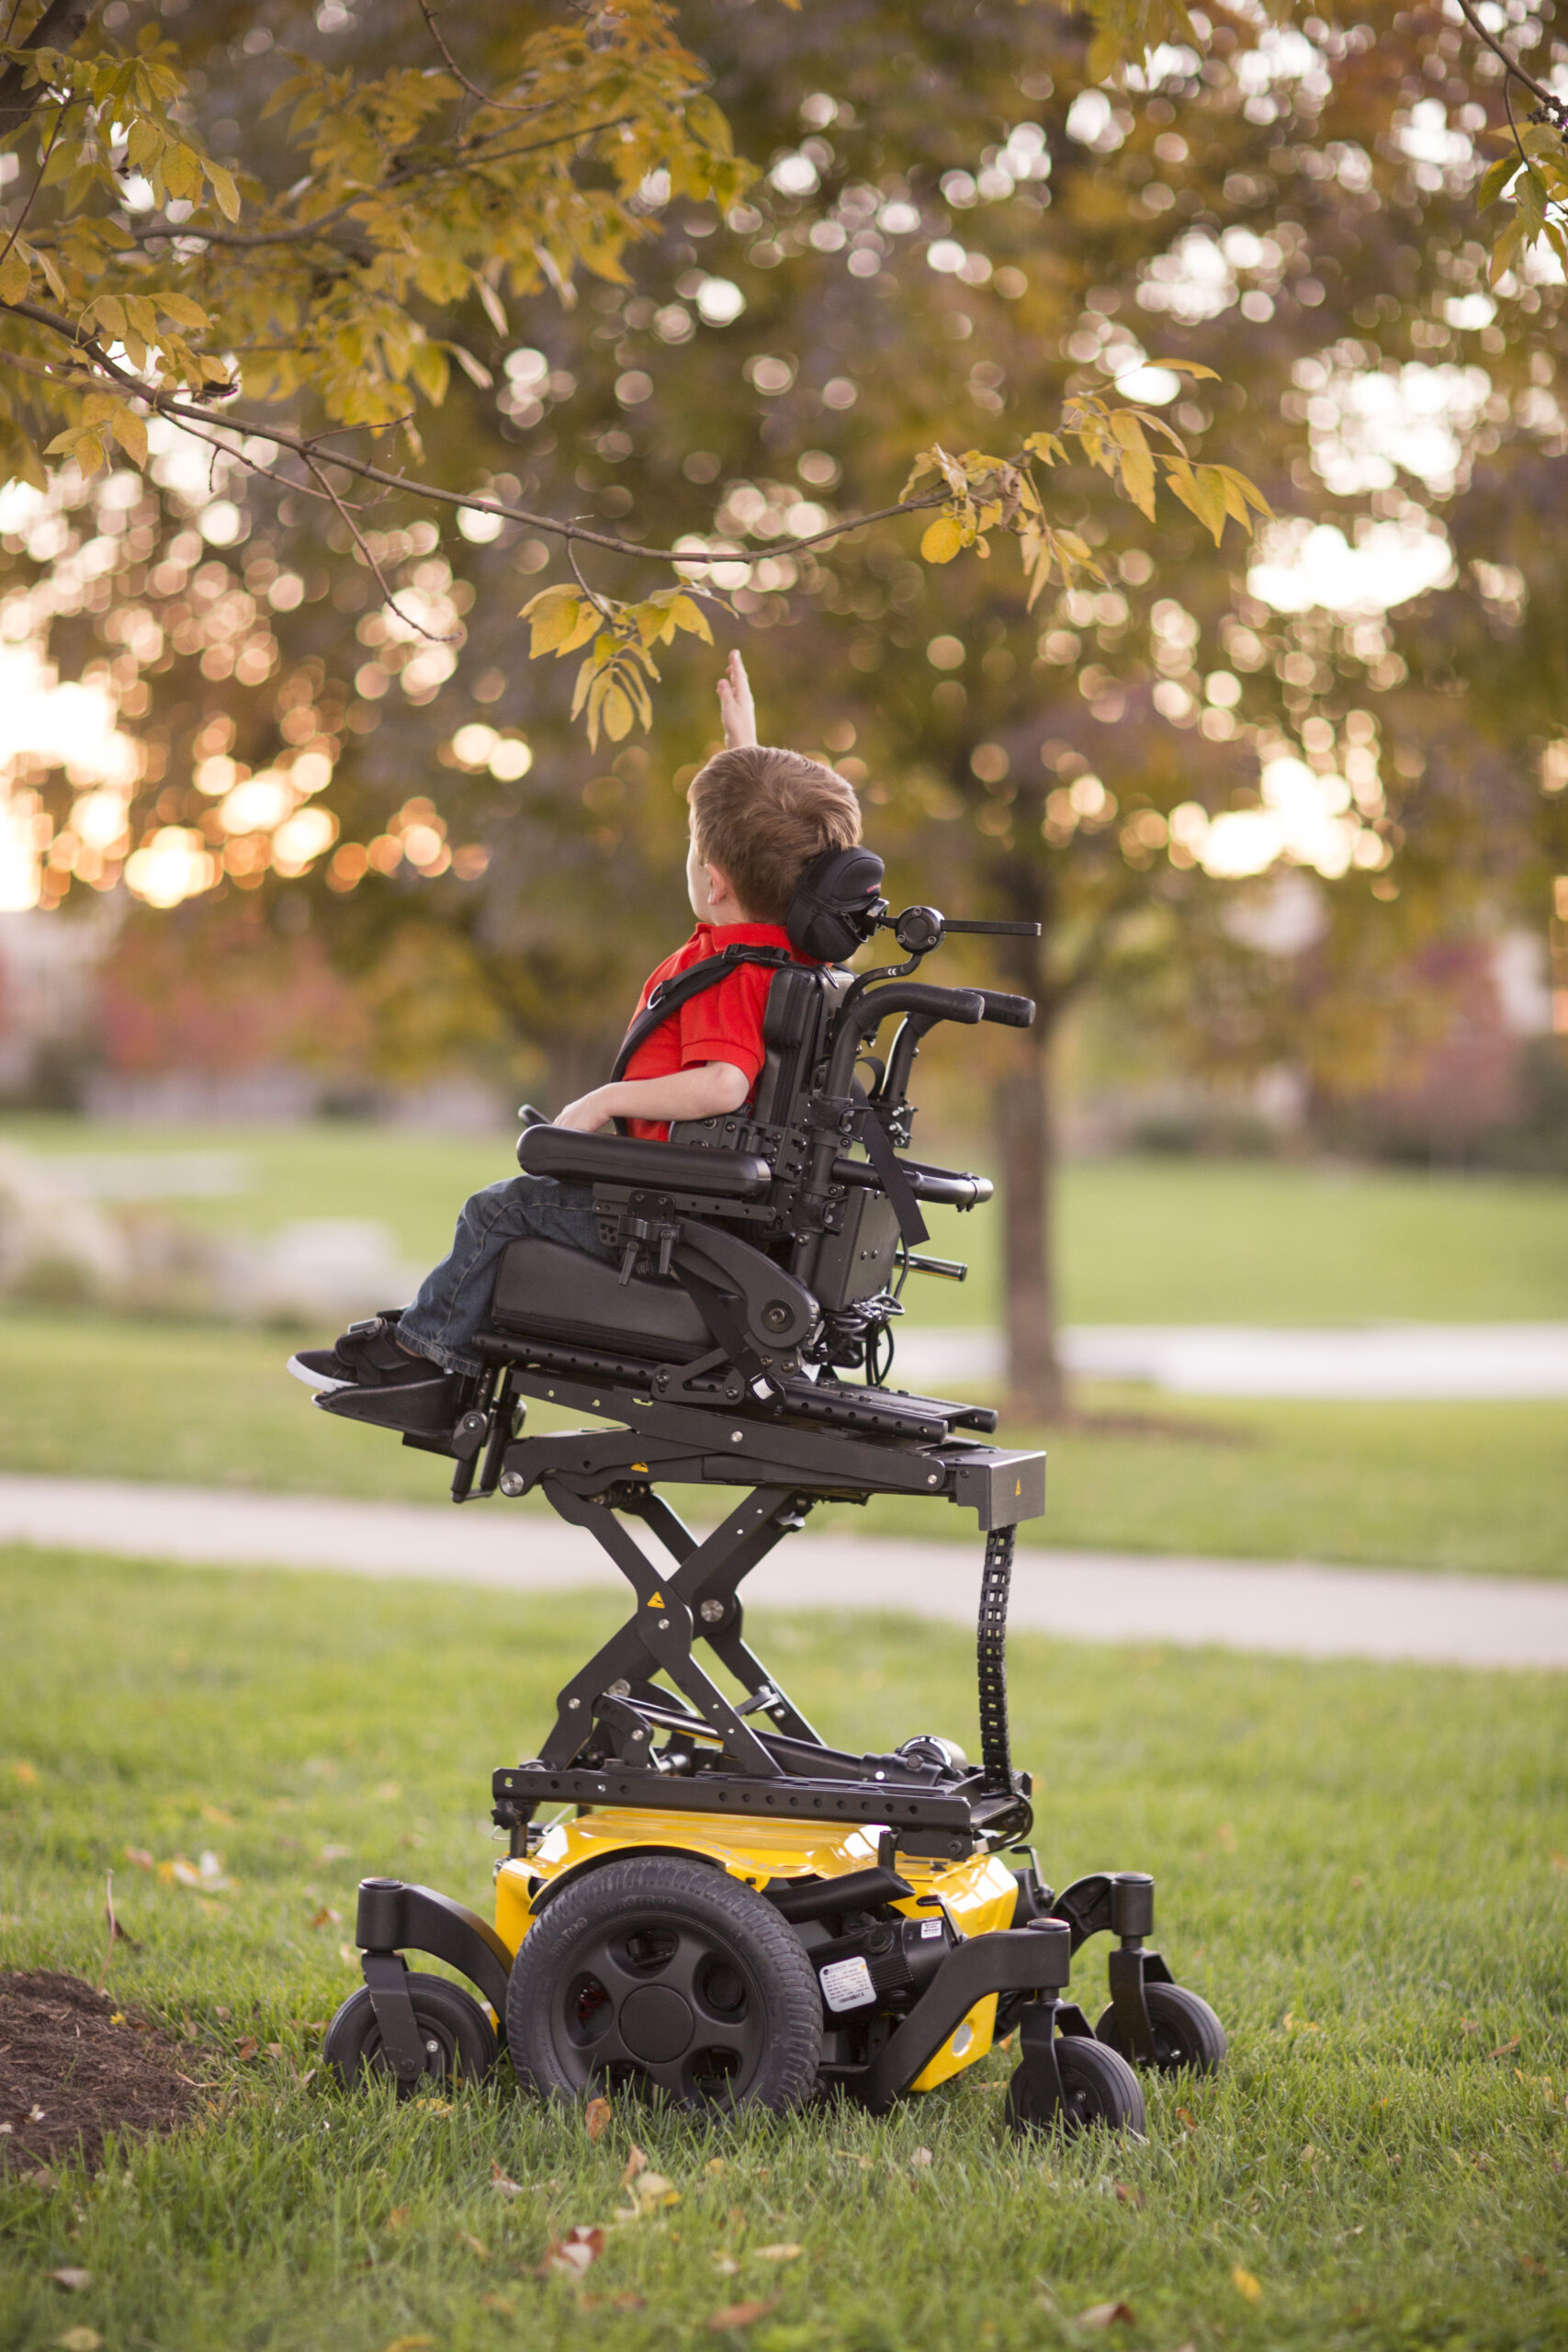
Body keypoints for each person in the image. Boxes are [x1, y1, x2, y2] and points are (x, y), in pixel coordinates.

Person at [289, 653, 862, 1402]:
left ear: (714, 880)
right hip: (687, 1207)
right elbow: (764, 853)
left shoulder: (735, 975)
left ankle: (422, 1360)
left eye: (699, 849)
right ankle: (444, 1347)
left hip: (665, 1219)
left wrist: (603, 1103)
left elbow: (724, 1083)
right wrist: (740, 751)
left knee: (501, 1209)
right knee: (520, 1196)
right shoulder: (776, 955)